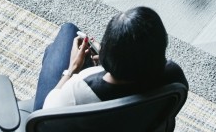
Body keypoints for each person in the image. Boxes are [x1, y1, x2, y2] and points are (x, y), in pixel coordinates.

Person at [33, 6, 187, 111]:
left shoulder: (79, 89)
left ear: (107, 52)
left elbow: (45, 114)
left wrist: (72, 70)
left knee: (68, 30)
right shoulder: (175, 79)